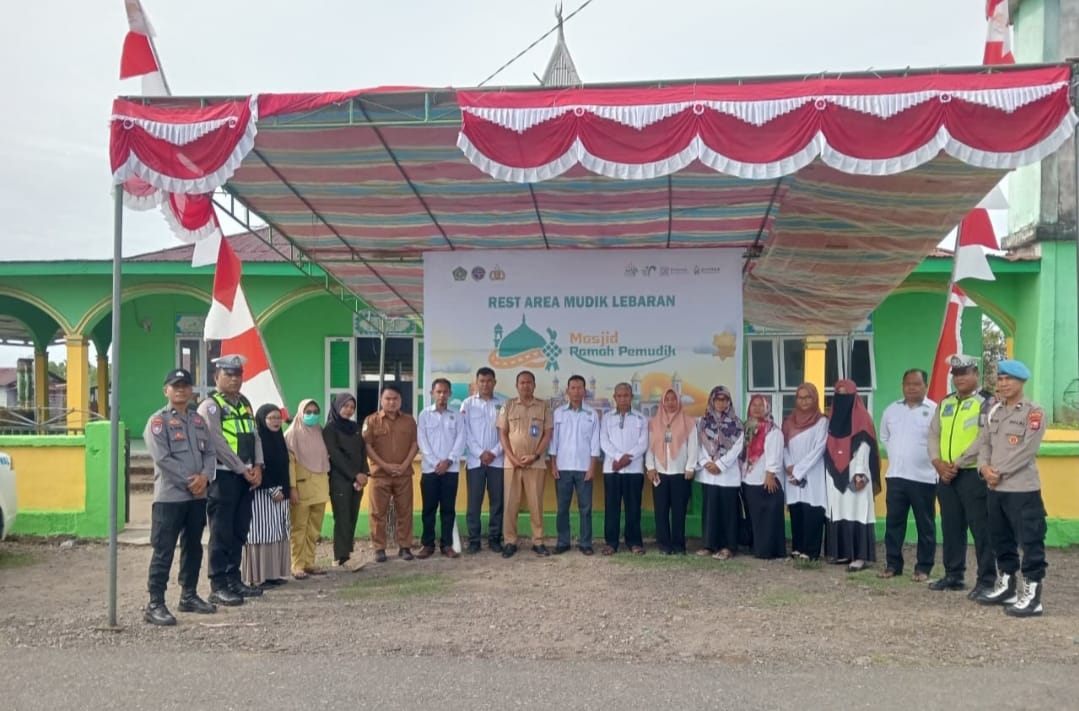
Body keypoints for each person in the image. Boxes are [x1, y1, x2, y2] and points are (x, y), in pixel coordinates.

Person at [142, 368, 217, 625]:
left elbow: (210, 454)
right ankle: (155, 604)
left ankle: (189, 595)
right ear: (166, 391)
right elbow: (162, 458)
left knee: (193, 547)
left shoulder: (198, 421)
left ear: (192, 390)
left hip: (196, 498)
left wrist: (205, 477)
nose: (181, 390)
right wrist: (192, 481)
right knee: (163, 550)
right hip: (170, 498)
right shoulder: (157, 422)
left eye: (185, 385)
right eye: (176, 386)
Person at [975, 359, 1048, 617]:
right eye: (1001, 378)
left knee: (1030, 542)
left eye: (1009, 379)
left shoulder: (1033, 412)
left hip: (1022, 490)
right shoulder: (995, 410)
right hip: (995, 489)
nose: (1003, 383)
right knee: (1000, 538)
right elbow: (983, 443)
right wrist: (984, 468)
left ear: (1022, 382)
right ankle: (1006, 587)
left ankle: (1032, 597)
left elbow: (1028, 450)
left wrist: (999, 472)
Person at [927, 354, 996, 598]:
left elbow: (984, 438)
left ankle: (987, 580)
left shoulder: (987, 402)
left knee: (981, 528)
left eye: (964, 373)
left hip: (972, 474)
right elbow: (933, 434)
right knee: (951, 527)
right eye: (955, 374)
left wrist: (957, 462)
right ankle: (954, 575)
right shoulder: (945, 403)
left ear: (976, 374)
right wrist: (937, 462)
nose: (959, 378)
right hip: (946, 475)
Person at [196, 354, 263, 607]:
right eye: (228, 374)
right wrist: (241, 469)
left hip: (246, 475)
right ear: (216, 377)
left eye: (238, 375)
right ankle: (218, 585)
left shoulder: (244, 402)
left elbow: (255, 436)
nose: (234, 379)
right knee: (221, 532)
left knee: (239, 530)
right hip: (224, 475)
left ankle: (234, 580)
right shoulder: (210, 406)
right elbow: (217, 443)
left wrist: (258, 466)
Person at [878, 369, 938, 582]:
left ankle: (923, 567)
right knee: (894, 524)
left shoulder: (934, 410)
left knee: (925, 525)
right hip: (896, 476)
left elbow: (939, 441)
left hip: (924, 478)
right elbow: (884, 436)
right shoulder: (892, 410)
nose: (911, 388)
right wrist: (896, 452)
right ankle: (893, 565)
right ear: (902, 385)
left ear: (925, 386)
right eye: (907, 384)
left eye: (916, 384)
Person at [824, 379, 881, 572]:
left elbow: (865, 447)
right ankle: (843, 553)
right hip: (834, 474)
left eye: (846, 393)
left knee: (857, 511)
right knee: (839, 511)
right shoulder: (832, 418)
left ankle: (860, 556)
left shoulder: (862, 417)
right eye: (838, 393)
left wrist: (859, 474)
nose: (842, 397)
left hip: (856, 473)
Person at [497, 370, 554, 558]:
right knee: (510, 504)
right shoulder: (508, 405)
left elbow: (547, 434)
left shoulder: (543, 406)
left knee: (536, 504)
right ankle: (510, 541)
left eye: (529, 382)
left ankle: (538, 541)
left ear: (534, 385)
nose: (526, 386)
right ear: (516, 386)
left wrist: (536, 455)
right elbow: (503, 434)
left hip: (535, 463)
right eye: (522, 383)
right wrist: (512, 458)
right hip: (511, 463)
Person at [362, 384, 419, 563]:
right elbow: (367, 446)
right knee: (378, 512)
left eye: (395, 399)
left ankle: (405, 547)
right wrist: (384, 465)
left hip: (403, 474)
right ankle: (379, 548)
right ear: (381, 400)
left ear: (400, 400)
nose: (392, 402)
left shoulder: (409, 421)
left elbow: (415, 444)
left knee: (405, 511)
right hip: (380, 474)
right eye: (388, 399)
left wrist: (405, 464)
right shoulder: (371, 420)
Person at [550, 374, 601, 555]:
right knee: (562, 508)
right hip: (562, 468)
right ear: (567, 391)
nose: (577, 391)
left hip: (584, 469)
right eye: (573, 388)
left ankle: (585, 543)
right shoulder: (558, 413)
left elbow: (595, 444)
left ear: (585, 391)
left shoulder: (591, 414)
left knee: (585, 508)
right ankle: (563, 541)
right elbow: (553, 442)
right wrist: (553, 465)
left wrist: (592, 468)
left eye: (580, 388)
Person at [417, 378, 466, 559]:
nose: (442, 395)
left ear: (450, 394)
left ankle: (447, 545)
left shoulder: (457, 415)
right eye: (438, 392)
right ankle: (427, 545)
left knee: (448, 509)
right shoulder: (424, 415)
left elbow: (461, 440)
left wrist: (449, 461)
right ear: (432, 393)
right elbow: (422, 441)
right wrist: (435, 462)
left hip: (450, 471)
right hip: (430, 470)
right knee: (428, 509)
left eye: (445, 392)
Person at [646, 388, 698, 555]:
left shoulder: (688, 422)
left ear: (678, 401)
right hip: (659, 472)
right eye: (667, 399)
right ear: (662, 402)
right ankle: (664, 545)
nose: (670, 402)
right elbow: (649, 447)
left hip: (680, 473)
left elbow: (693, 446)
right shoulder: (654, 423)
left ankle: (678, 545)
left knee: (679, 511)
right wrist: (650, 467)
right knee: (660, 511)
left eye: (673, 399)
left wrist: (690, 467)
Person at [244, 404, 291, 588]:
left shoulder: (279, 439)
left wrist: (285, 490)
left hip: (281, 495)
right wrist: (272, 489)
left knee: (277, 533)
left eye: (278, 418)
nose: (276, 421)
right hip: (263, 494)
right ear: (262, 420)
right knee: (262, 534)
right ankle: (258, 577)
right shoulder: (259, 439)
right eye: (271, 418)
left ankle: (272, 574)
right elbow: (259, 465)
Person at [599, 382, 649, 555]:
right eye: (619, 396)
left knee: (633, 507)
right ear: (614, 398)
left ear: (631, 397)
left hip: (634, 470)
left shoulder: (641, 418)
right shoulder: (606, 418)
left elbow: (643, 444)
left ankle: (634, 542)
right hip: (612, 469)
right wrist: (619, 458)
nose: (622, 399)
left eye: (626, 395)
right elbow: (604, 441)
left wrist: (627, 458)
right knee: (612, 507)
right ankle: (611, 543)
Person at [695, 385, 744, 560]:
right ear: (712, 400)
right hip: (709, 473)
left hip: (728, 475)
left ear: (729, 402)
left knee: (728, 513)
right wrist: (706, 462)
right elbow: (698, 445)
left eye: (725, 400)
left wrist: (721, 464)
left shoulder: (737, 423)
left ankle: (728, 546)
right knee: (710, 511)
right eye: (718, 399)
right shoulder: (703, 422)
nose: (721, 403)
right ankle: (709, 545)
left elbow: (738, 448)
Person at [461, 367, 506, 554]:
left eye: (489, 381)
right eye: (482, 381)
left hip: (498, 461)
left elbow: (507, 433)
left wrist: (494, 452)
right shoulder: (468, 404)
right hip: (475, 461)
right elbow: (465, 432)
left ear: (494, 382)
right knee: (474, 503)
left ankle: (495, 539)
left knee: (497, 502)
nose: (485, 384)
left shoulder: (504, 404)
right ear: (476, 383)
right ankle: (474, 540)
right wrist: (480, 453)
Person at [284, 399, 331, 579]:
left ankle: (310, 563)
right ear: (300, 412)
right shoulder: (291, 434)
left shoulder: (320, 431)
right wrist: (292, 488)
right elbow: (290, 465)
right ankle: (297, 565)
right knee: (299, 528)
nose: (312, 415)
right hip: (301, 487)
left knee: (314, 529)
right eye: (308, 411)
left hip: (320, 486)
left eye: (315, 411)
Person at [782, 383, 828, 561]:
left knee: (812, 509)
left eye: (808, 397)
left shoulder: (821, 421)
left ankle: (811, 551)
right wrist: (789, 466)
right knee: (796, 509)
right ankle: (797, 546)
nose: (804, 401)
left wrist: (799, 470)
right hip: (791, 472)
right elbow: (784, 446)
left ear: (815, 398)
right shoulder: (788, 421)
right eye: (800, 397)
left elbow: (819, 448)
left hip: (812, 471)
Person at [323, 393, 369, 568]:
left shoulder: (355, 428)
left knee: (352, 515)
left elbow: (362, 452)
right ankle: (341, 557)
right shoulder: (330, 429)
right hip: (340, 479)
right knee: (342, 516)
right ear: (337, 407)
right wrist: (354, 474)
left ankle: (347, 552)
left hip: (357, 480)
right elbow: (335, 455)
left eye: (352, 407)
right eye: (345, 406)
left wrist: (364, 473)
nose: (348, 410)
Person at [740, 395, 786, 559]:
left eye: (761, 405)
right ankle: (756, 547)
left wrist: (770, 474)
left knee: (767, 518)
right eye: (754, 405)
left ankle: (768, 551)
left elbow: (775, 454)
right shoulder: (746, 428)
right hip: (748, 480)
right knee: (754, 517)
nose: (757, 408)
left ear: (767, 408)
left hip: (765, 479)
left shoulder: (772, 430)